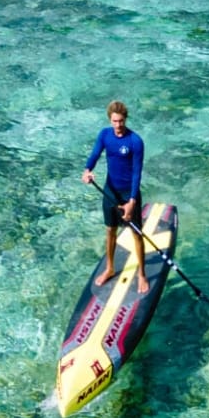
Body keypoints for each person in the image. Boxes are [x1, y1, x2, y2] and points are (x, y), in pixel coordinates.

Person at [82, 99, 147, 292]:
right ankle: (110, 268)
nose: (118, 126)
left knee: (136, 233)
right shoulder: (104, 135)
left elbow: (137, 173)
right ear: (110, 120)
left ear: (125, 119)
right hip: (110, 191)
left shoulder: (135, 141)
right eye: (114, 121)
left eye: (121, 121)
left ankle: (142, 273)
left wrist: (132, 202)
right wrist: (87, 170)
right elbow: (94, 155)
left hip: (129, 194)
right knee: (110, 231)